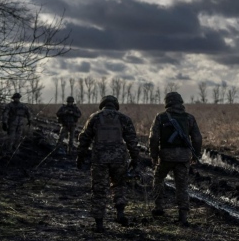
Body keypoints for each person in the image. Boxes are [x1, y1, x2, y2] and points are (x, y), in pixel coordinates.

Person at [77, 95, 141, 232]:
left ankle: (99, 224)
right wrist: (136, 159)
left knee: (99, 189)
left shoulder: (94, 117)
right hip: (119, 159)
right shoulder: (123, 118)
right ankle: (120, 213)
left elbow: (84, 138)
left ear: (102, 104)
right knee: (119, 185)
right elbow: (132, 141)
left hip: (100, 159)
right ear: (115, 105)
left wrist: (80, 156)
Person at [148, 91, 203, 226]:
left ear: (167, 103)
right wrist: (196, 154)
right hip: (183, 158)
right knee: (182, 186)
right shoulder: (189, 118)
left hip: (165, 157)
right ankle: (183, 216)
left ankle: (159, 207)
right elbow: (197, 138)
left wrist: (154, 156)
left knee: (158, 179)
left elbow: (153, 138)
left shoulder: (160, 117)